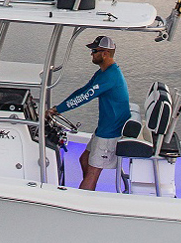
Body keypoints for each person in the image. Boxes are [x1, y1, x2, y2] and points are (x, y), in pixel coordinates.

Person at [47, 35, 130, 190]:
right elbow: (83, 90)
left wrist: (58, 110)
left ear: (104, 53)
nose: (91, 54)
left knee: (92, 172)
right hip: (104, 129)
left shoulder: (110, 77)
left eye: (94, 50)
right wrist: (57, 108)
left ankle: (82, 201)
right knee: (84, 159)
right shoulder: (104, 72)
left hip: (111, 132)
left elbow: (85, 97)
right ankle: (90, 193)